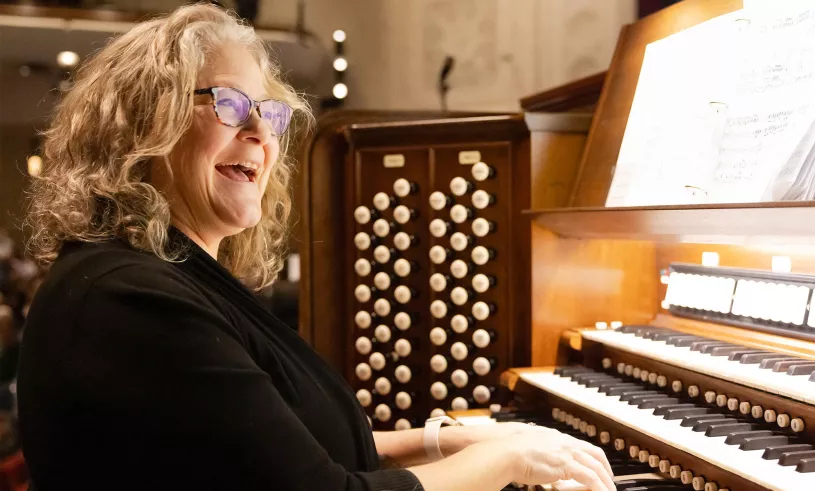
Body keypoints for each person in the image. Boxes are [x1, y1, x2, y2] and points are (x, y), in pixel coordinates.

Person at [16, 4, 616, 491]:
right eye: (227, 104)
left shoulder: (165, 274)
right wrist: (514, 459)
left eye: (268, 113)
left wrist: (452, 441)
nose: (259, 133)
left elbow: (277, 449)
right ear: (144, 125)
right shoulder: (127, 298)